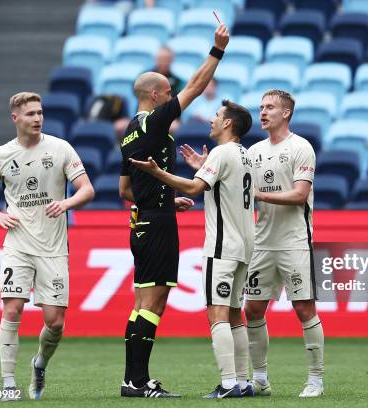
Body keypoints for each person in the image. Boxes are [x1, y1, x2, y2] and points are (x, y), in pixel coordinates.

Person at [118, 22, 230, 398]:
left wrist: (164, 199)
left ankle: (134, 379)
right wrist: (217, 50)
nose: (172, 100)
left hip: (145, 219)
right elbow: (196, 88)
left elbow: (124, 189)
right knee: (154, 301)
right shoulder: (154, 120)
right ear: (155, 94)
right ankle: (135, 382)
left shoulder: (131, 131)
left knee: (143, 302)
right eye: (167, 93)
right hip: (156, 224)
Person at [0, 92, 95, 401]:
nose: (37, 118)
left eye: (39, 113)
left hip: (53, 247)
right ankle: (8, 383)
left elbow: (87, 189)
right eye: (30, 114)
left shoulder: (60, 148)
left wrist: (66, 203)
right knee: (12, 309)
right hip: (18, 246)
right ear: (15, 118)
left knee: (55, 322)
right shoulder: (1, 155)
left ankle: (39, 363)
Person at [129, 100, 255, 399]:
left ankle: (227, 384)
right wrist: (202, 168)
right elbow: (219, 185)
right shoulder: (244, 154)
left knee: (217, 314)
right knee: (235, 313)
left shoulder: (223, 153)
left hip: (222, 246)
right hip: (245, 244)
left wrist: (156, 172)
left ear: (227, 124)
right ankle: (243, 380)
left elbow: (193, 189)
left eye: (217, 116)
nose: (212, 120)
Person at [243, 89, 324, 398]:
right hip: (262, 243)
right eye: (262, 107)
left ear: (286, 113)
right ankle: (260, 379)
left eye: (270, 107)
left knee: (304, 308)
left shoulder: (301, 147)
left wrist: (258, 195)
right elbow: (238, 188)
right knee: (252, 310)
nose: (263, 112)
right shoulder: (252, 152)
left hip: (295, 242)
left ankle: (315, 379)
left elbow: (299, 195)